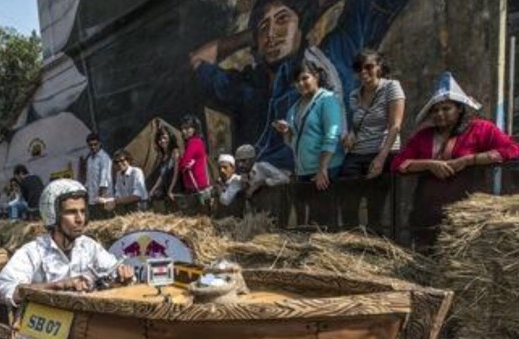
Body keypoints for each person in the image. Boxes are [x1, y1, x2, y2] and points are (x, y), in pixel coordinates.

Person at [190, 0, 409, 169]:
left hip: (323, 189)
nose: (271, 34)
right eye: (264, 27)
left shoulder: (333, 59)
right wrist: (250, 36)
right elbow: (197, 60)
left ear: (301, 29)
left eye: (282, 19)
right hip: (262, 199)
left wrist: (314, 8)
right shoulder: (245, 87)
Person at [392, 72, 519, 248]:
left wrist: (468, 160)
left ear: (459, 108)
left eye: (446, 109)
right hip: (426, 213)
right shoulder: (423, 136)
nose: (439, 114)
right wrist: (429, 164)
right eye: (435, 110)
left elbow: (512, 150)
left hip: (465, 216)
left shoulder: (481, 129)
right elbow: (397, 164)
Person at [0, 179, 134, 307]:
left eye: (82, 211)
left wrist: (122, 277)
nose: (80, 219)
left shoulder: (89, 246)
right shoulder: (33, 251)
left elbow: (113, 269)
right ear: (52, 216)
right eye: (71, 212)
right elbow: (8, 289)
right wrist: (57, 286)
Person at [340, 49, 405, 230]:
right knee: (348, 205)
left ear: (379, 67)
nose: (363, 72)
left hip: (382, 151)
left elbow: (395, 125)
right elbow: (357, 124)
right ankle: (350, 241)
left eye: (368, 66)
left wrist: (381, 158)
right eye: (358, 68)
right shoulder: (354, 94)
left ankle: (375, 243)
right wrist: (350, 135)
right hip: (357, 153)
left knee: (375, 208)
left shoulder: (391, 87)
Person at [274, 60, 344, 225]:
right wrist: (287, 131)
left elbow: (331, 135)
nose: (301, 84)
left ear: (316, 76)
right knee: (311, 223)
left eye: (305, 78)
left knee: (324, 221)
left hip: (326, 171)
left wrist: (322, 168)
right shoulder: (294, 108)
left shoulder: (327, 100)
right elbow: (292, 142)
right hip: (304, 172)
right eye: (297, 81)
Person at [178, 115, 211, 200]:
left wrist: (178, 158)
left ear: (195, 129)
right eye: (182, 129)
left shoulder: (193, 142)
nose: (184, 131)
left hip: (196, 186)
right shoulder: (199, 141)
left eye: (187, 128)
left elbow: (183, 164)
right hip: (199, 184)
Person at [148, 125, 181, 202]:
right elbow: (162, 175)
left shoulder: (175, 152)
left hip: (175, 189)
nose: (162, 141)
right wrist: (153, 190)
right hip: (167, 188)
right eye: (160, 139)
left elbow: (176, 173)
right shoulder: (164, 155)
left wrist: (171, 190)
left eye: (164, 138)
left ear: (170, 138)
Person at [84, 132, 112, 205]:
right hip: (92, 197)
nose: (93, 147)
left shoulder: (104, 158)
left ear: (99, 144)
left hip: (103, 197)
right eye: (91, 145)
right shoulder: (89, 159)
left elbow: (104, 179)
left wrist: (102, 196)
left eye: (95, 144)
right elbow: (88, 179)